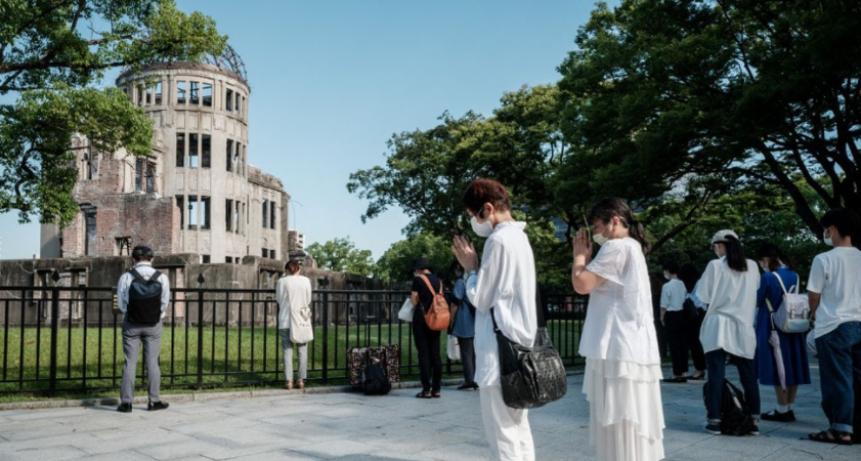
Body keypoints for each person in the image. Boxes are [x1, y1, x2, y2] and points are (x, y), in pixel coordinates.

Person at [572, 198, 665, 461]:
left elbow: (582, 283)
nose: (596, 233)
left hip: (617, 345)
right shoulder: (632, 246)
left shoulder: (617, 247)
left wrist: (580, 257)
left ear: (614, 220)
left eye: (597, 226)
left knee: (619, 418)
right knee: (628, 420)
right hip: (628, 343)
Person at [451, 178, 537, 461]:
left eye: (474, 215)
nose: (475, 222)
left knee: (502, 433)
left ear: (488, 209)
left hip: (500, 351)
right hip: (519, 345)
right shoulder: (519, 238)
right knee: (518, 428)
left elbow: (482, 297)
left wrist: (471, 269)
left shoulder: (498, 241)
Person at [696, 230, 761, 435]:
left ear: (720, 245)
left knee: (716, 373)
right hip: (743, 325)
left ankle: (714, 420)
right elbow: (755, 289)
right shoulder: (752, 266)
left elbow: (703, 295)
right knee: (748, 375)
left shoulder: (715, 266)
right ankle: (753, 420)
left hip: (718, 325)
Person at [806, 208, 861, 444]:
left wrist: (813, 315)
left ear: (833, 229)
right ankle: (855, 426)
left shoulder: (824, 258)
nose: (824, 234)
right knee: (857, 378)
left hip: (833, 325)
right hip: (859, 323)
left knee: (837, 379)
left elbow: (814, 295)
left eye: (825, 229)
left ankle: (840, 429)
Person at [755, 243, 810, 423]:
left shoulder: (768, 277)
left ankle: (781, 408)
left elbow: (758, 299)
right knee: (792, 365)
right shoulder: (794, 274)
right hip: (793, 324)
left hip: (772, 325)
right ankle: (789, 407)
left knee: (778, 366)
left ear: (765, 259)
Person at [116, 245, 170, 413]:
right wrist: (157, 316)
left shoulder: (126, 277)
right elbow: (164, 302)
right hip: (153, 325)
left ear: (133, 259)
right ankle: (154, 401)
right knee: (152, 362)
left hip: (131, 323)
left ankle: (126, 403)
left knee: (129, 362)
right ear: (152, 259)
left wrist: (130, 313)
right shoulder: (162, 278)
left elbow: (121, 303)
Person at [411, 256, 444, 399]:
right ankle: (437, 389)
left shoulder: (418, 280)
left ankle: (426, 389)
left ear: (418, 269)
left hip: (422, 320)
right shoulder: (438, 281)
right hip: (436, 319)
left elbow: (413, 301)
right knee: (435, 354)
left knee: (423, 353)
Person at [276, 259, 313, 390]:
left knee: (287, 350)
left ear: (286, 270)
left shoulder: (282, 281)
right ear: (299, 269)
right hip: (301, 319)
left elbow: (279, 299)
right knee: (302, 349)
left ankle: (289, 381)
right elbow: (308, 300)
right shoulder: (306, 281)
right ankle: (301, 379)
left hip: (286, 319)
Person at [660, 260, 690, 383]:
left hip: (671, 315)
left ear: (667, 271)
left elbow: (664, 305)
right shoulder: (682, 283)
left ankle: (676, 373)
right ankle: (683, 371)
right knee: (682, 345)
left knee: (673, 345)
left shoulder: (667, 286)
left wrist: (662, 317)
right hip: (682, 314)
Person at [451, 261, 478, 390]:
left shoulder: (460, 282)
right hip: (475, 321)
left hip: (464, 320)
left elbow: (455, 302)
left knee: (466, 352)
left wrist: (451, 319)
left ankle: (469, 380)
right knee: (473, 352)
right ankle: (476, 378)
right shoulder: (473, 279)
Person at [677, 263, 706, 380]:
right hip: (695, 315)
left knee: (695, 343)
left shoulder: (698, 284)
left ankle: (700, 368)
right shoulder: (695, 283)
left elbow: (699, 301)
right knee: (695, 343)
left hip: (697, 315)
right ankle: (700, 368)